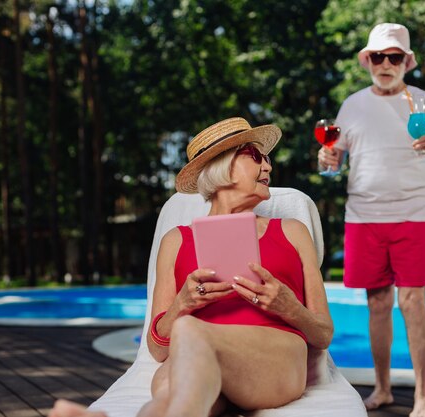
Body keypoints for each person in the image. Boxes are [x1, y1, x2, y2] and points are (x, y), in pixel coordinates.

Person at [48, 117, 335, 417]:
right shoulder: (176, 240)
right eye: (256, 156)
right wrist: (181, 306)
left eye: (267, 159)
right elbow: (158, 349)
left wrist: (288, 306)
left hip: (275, 358)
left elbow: (324, 333)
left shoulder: (291, 231)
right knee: (173, 401)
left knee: (189, 337)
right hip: (194, 358)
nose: (268, 167)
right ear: (224, 166)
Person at [318, 23, 425, 417]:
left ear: (407, 62)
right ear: (367, 60)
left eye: (395, 56)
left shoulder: (424, 101)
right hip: (363, 218)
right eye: (378, 57)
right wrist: (328, 163)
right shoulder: (351, 105)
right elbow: (334, 162)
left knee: (414, 301)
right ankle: (382, 389)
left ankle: (424, 397)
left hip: (415, 215)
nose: (386, 64)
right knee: (378, 304)